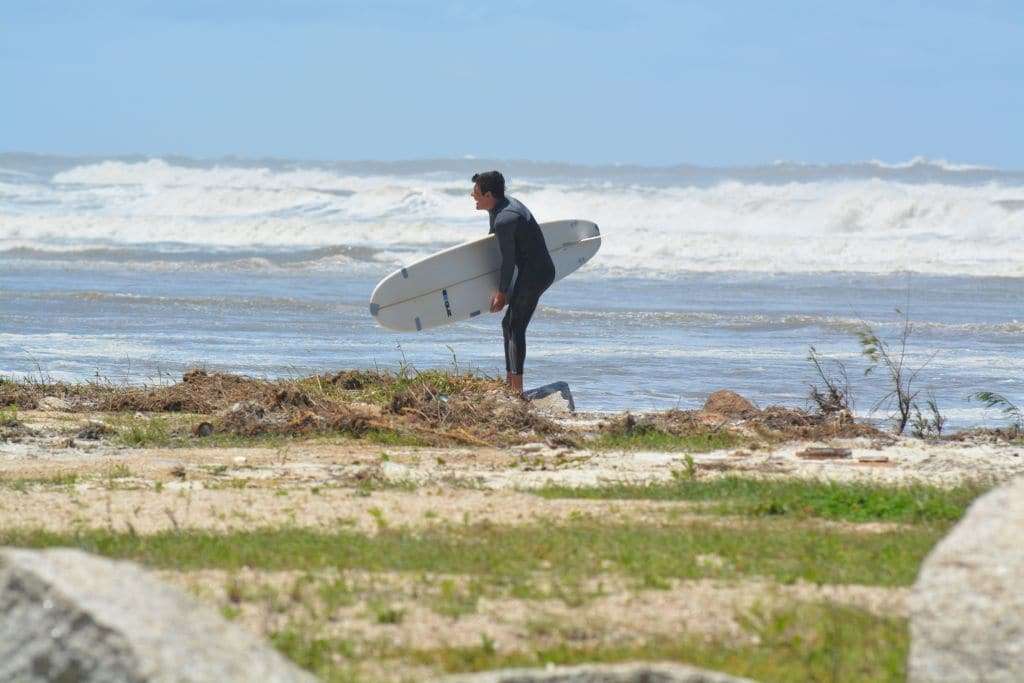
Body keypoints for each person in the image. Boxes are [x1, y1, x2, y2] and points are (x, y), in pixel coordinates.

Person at [471, 170, 555, 396]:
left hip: (536, 273)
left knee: (515, 326)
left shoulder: (506, 218)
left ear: (489, 194)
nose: (472, 195)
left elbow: (507, 261)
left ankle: (517, 392)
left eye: (477, 192)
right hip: (528, 269)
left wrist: (502, 292)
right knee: (507, 324)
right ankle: (511, 385)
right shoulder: (498, 207)